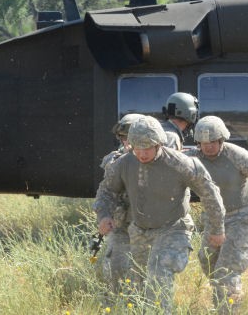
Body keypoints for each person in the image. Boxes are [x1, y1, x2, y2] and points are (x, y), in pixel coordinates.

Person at [93, 115, 226, 313]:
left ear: (159, 144)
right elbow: (106, 191)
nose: (142, 153)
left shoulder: (181, 164)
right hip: (140, 231)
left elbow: (211, 194)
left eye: (147, 147)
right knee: (135, 282)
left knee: (158, 272)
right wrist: (104, 215)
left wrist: (216, 228)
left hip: (174, 229)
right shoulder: (124, 163)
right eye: (137, 147)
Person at [186, 116, 248, 314]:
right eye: (203, 143)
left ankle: (228, 308)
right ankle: (223, 295)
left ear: (221, 140)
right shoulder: (192, 158)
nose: (208, 147)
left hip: (240, 218)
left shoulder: (238, 156)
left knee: (226, 270)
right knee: (206, 260)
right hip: (213, 219)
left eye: (212, 142)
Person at [98, 113, 143, 296]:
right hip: (121, 225)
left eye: (131, 137)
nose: (127, 142)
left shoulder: (155, 160)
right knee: (116, 268)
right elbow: (105, 193)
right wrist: (104, 216)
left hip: (146, 227)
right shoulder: (114, 161)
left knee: (143, 272)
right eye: (124, 138)